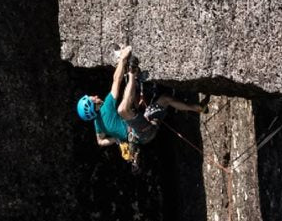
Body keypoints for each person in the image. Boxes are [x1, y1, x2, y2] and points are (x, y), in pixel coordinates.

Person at [76, 45, 207, 154]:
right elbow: (117, 80)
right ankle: (133, 73)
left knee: (165, 99)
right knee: (122, 110)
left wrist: (117, 140)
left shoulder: (97, 125)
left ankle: (197, 108)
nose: (95, 97)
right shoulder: (106, 107)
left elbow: (100, 141)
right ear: (94, 106)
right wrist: (122, 59)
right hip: (141, 132)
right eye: (92, 99)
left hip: (143, 130)